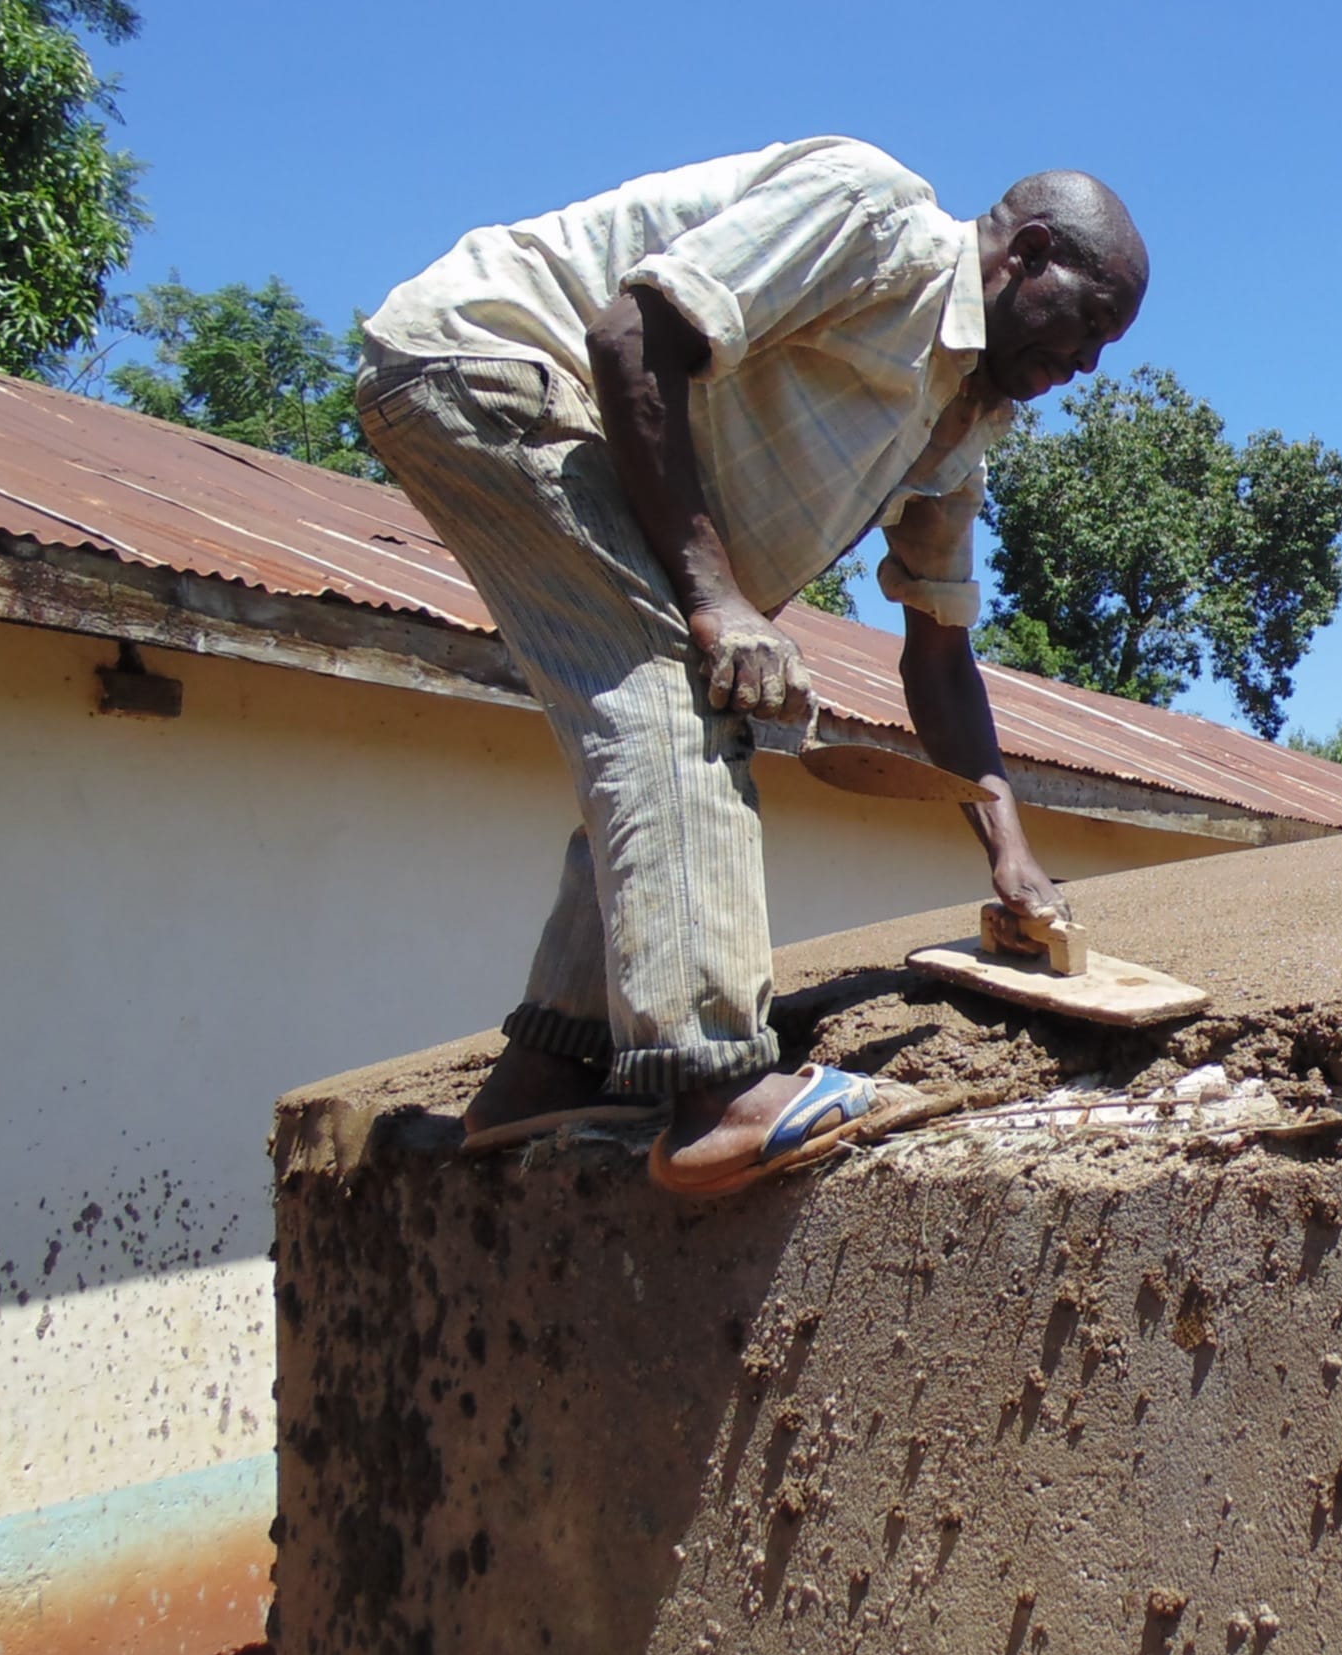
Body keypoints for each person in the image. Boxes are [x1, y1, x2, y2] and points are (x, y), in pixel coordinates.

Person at [356, 139, 1147, 1197]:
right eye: (1088, 324)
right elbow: (633, 335)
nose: (1087, 364)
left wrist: (1010, 854)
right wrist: (717, 599)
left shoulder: (961, 421)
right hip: (493, 363)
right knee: (683, 702)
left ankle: (545, 1066)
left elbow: (941, 651)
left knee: (671, 709)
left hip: (559, 416)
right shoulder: (876, 218)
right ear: (1029, 252)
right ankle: (717, 1089)